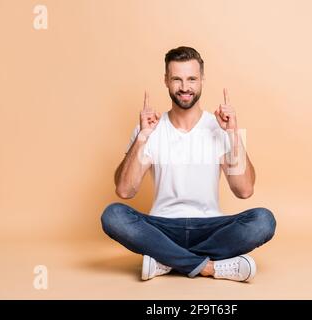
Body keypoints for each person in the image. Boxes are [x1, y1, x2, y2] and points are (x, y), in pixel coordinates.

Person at [101, 46, 276, 282]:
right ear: (166, 81)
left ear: (202, 80)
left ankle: (166, 260)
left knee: (263, 221)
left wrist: (233, 134)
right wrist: (142, 137)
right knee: (113, 215)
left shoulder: (221, 127)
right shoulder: (149, 129)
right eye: (177, 79)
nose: (185, 87)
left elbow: (244, 191)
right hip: (162, 228)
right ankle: (208, 267)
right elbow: (125, 190)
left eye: (192, 79)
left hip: (211, 227)